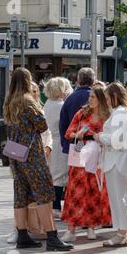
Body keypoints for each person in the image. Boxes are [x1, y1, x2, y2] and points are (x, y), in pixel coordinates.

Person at [3, 68, 72, 252]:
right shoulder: (28, 101)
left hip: (15, 153)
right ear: (27, 80)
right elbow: (42, 125)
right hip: (32, 154)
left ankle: (22, 235)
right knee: (44, 194)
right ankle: (52, 236)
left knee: (21, 194)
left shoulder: (9, 101)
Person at [61, 87, 112, 242]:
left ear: (101, 99)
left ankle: (91, 226)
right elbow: (68, 132)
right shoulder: (82, 113)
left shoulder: (108, 116)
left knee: (94, 193)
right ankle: (71, 229)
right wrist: (78, 135)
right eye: (89, 97)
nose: (89, 100)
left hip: (98, 158)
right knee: (75, 192)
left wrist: (99, 137)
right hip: (80, 157)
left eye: (93, 97)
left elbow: (110, 136)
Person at [94, 83, 127, 247]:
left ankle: (122, 232)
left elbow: (118, 140)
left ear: (114, 96)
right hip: (121, 160)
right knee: (120, 198)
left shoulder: (121, 113)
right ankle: (123, 232)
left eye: (107, 98)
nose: (106, 101)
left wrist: (99, 137)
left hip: (117, 161)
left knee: (118, 198)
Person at [43, 78, 73, 219]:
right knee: (60, 175)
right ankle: (56, 207)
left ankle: (54, 205)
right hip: (59, 141)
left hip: (49, 142)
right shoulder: (62, 105)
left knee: (54, 173)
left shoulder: (48, 104)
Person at [60, 68, 95, 155]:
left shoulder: (70, 98)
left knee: (76, 167)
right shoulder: (97, 97)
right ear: (93, 80)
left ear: (78, 80)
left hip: (74, 144)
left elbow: (63, 124)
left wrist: (65, 144)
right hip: (94, 144)